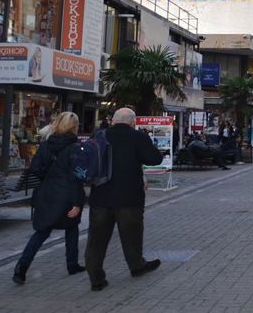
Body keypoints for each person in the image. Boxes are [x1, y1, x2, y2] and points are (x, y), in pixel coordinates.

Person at [85, 108, 164, 291]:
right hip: (129, 196)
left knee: (97, 239)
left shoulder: (99, 136)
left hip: (101, 195)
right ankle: (136, 266)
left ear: (113, 121)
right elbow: (155, 159)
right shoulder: (137, 137)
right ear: (132, 122)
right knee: (131, 235)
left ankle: (95, 277)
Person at [13, 112, 86, 284]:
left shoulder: (46, 144)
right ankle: (72, 263)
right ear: (74, 127)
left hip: (47, 192)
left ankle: (22, 266)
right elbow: (76, 176)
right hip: (67, 194)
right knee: (72, 227)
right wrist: (77, 202)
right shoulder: (75, 147)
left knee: (42, 232)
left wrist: (49, 176)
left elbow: (36, 167)